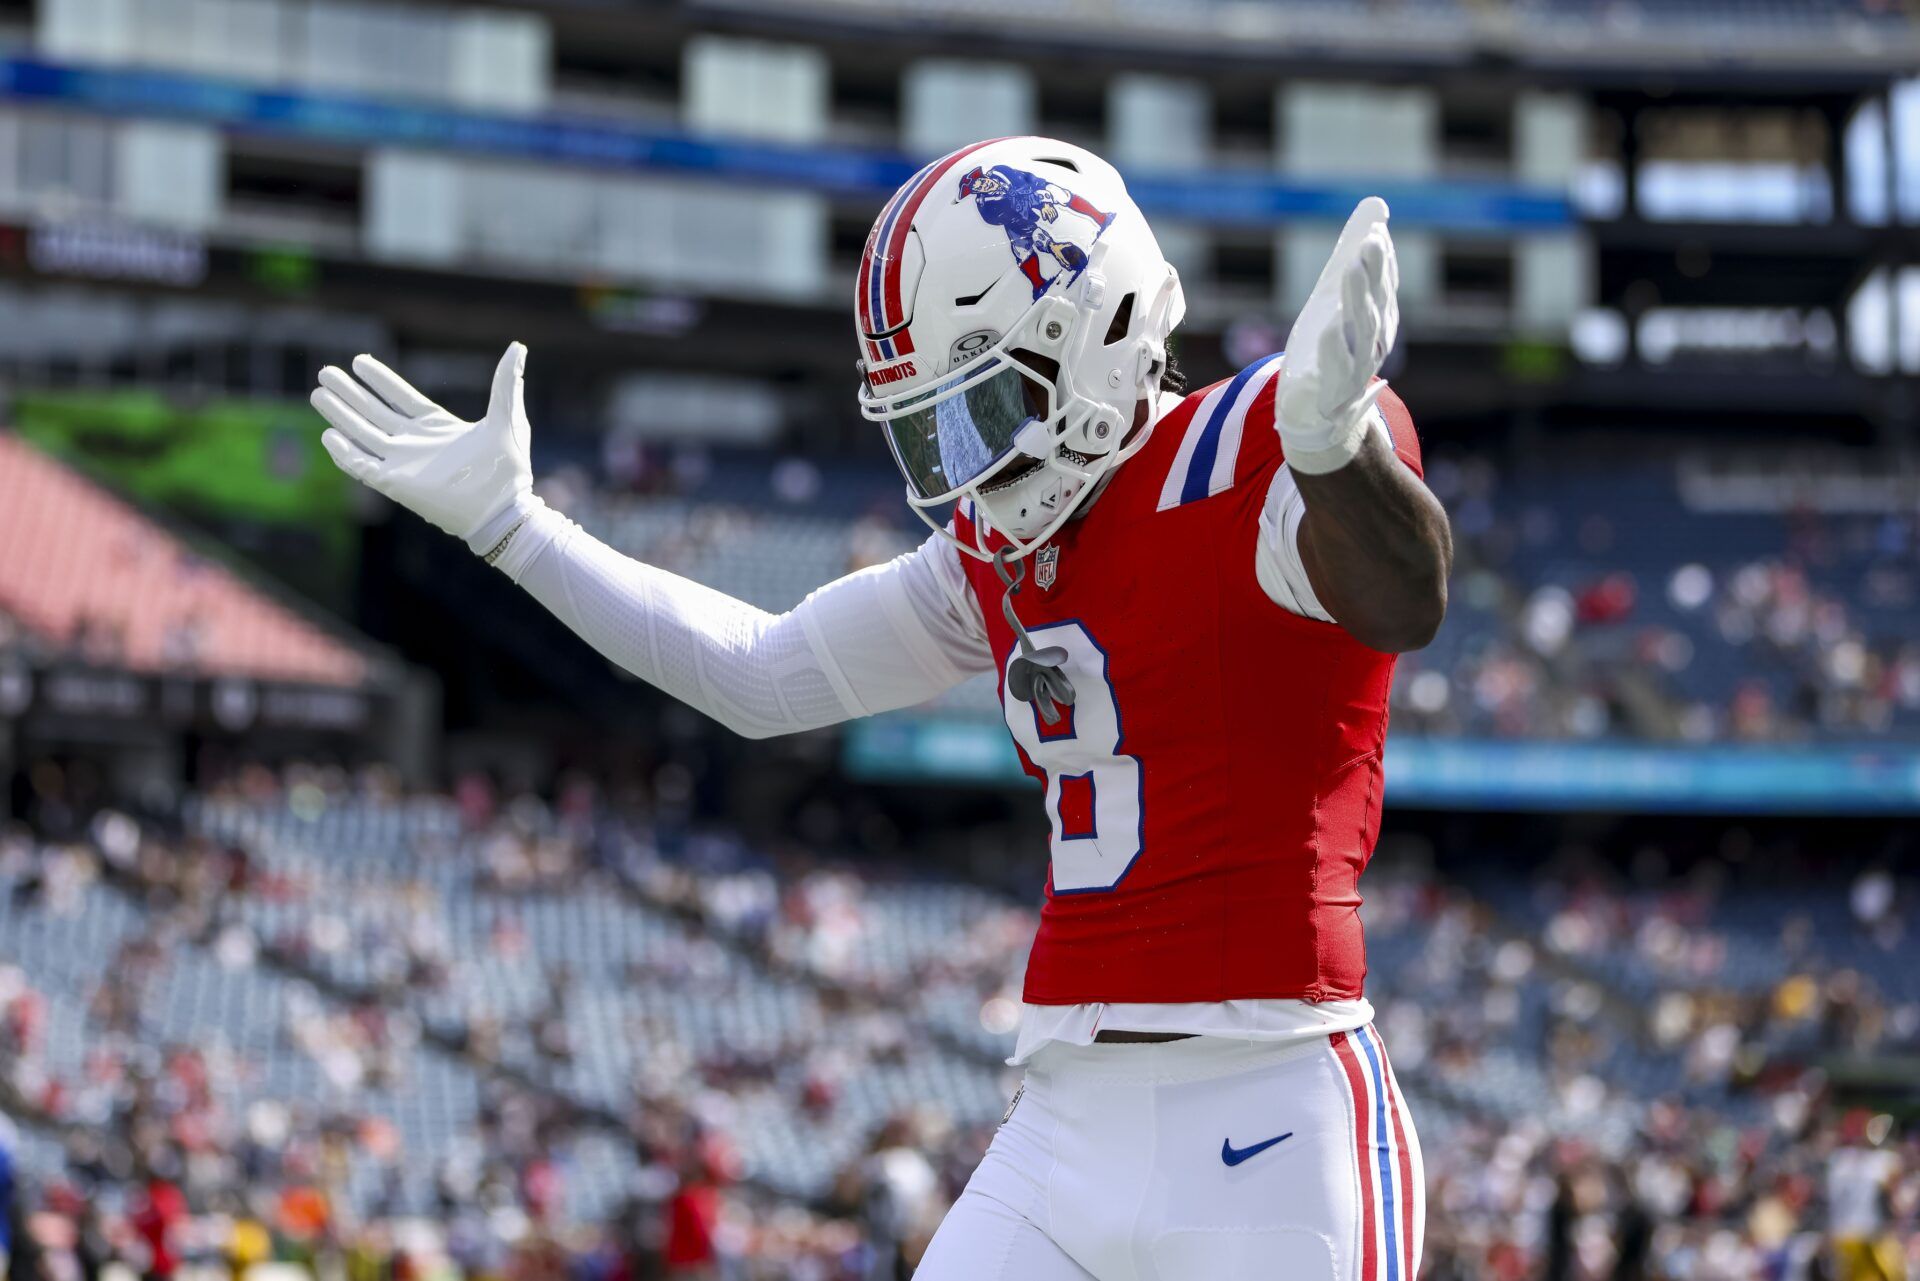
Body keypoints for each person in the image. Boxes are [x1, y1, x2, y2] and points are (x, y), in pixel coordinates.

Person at [311, 136, 1451, 1281]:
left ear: (1095, 331)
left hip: (1274, 1103)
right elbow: (761, 674)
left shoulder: (1262, 442)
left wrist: (1333, 451)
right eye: (933, 431)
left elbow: (1402, 598)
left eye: (988, 408)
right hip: (1064, 1119)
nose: (964, 470)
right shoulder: (991, 560)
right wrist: (516, 529)